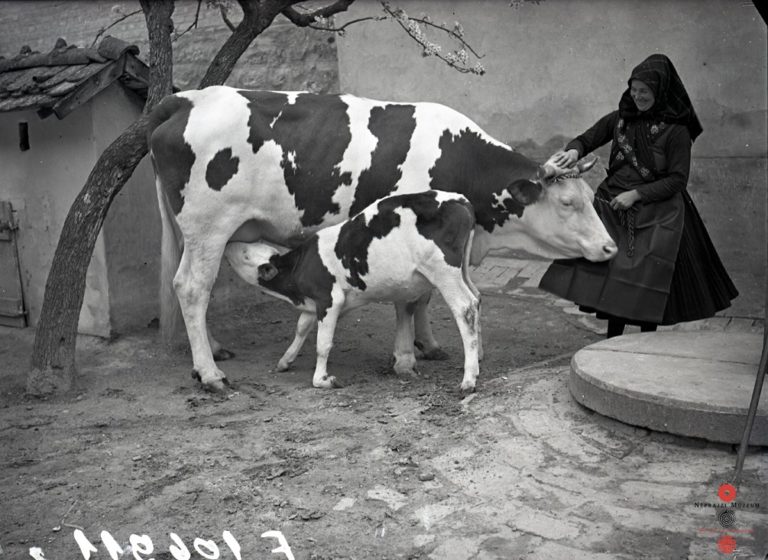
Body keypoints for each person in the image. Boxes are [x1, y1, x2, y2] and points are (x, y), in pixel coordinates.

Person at [538, 54, 738, 338]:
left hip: (658, 213)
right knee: (615, 278)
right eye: (634, 90)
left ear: (660, 91)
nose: (638, 96)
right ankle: (613, 342)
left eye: (645, 91)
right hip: (614, 208)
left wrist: (636, 194)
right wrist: (574, 150)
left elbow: (678, 180)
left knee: (648, 279)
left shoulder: (676, 130)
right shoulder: (620, 118)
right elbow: (587, 138)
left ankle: (646, 340)